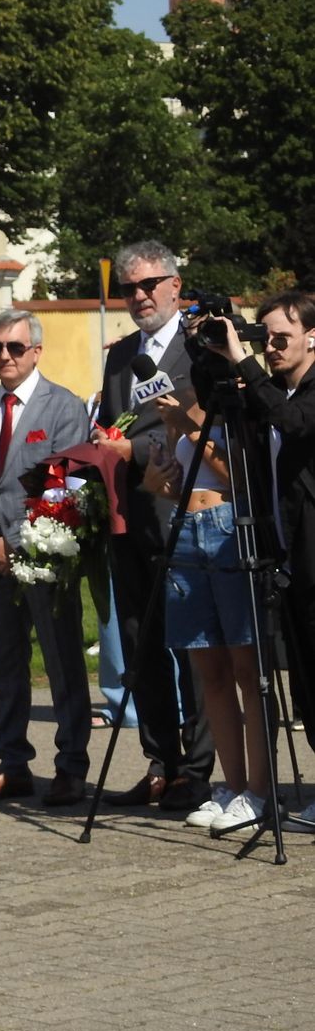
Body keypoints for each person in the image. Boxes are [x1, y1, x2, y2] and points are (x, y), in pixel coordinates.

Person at [0, 310, 94, 805]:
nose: (4, 356)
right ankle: (12, 763)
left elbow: (67, 483)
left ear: (36, 351)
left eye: (14, 347)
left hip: (44, 558)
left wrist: (18, 543)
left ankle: (71, 765)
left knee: (62, 662)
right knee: (7, 664)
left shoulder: (63, 406)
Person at [92, 241, 213, 811]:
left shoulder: (199, 348)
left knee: (192, 646)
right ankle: (161, 762)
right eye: (128, 288)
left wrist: (132, 450)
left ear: (175, 285)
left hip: (183, 512)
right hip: (131, 516)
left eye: (149, 285)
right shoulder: (120, 356)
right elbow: (110, 423)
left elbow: (201, 427)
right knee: (141, 645)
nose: (139, 297)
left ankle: (198, 768)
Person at [199, 291, 315, 830]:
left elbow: (294, 423)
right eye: (263, 337)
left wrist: (245, 362)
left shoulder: (301, 394)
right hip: (290, 555)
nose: (270, 347)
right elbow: (219, 406)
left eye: (281, 337)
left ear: (313, 337)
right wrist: (212, 355)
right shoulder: (275, 390)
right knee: (307, 683)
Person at [139, 384, 268, 830]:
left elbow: (241, 477)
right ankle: (231, 787)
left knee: (247, 670)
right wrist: (158, 481)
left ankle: (259, 791)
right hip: (186, 529)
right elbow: (183, 483)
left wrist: (188, 429)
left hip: (229, 529)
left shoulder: (240, 395)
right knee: (209, 671)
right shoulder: (188, 399)